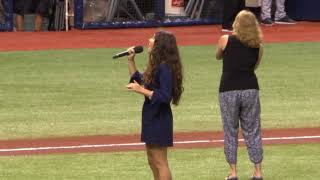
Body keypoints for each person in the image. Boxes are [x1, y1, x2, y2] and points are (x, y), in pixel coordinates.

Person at [126, 30, 184, 180]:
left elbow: (165, 96)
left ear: (160, 45)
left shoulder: (164, 67)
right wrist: (131, 61)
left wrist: (142, 90)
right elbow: (138, 80)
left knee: (160, 162)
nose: (149, 40)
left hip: (160, 117)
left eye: (153, 38)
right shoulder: (157, 65)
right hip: (151, 115)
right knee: (152, 160)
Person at [216, 10, 264, 180]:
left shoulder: (225, 39)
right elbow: (255, 65)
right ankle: (258, 172)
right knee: (253, 130)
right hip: (250, 88)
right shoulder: (258, 45)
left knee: (230, 131)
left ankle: (233, 172)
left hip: (228, 89)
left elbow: (217, 56)